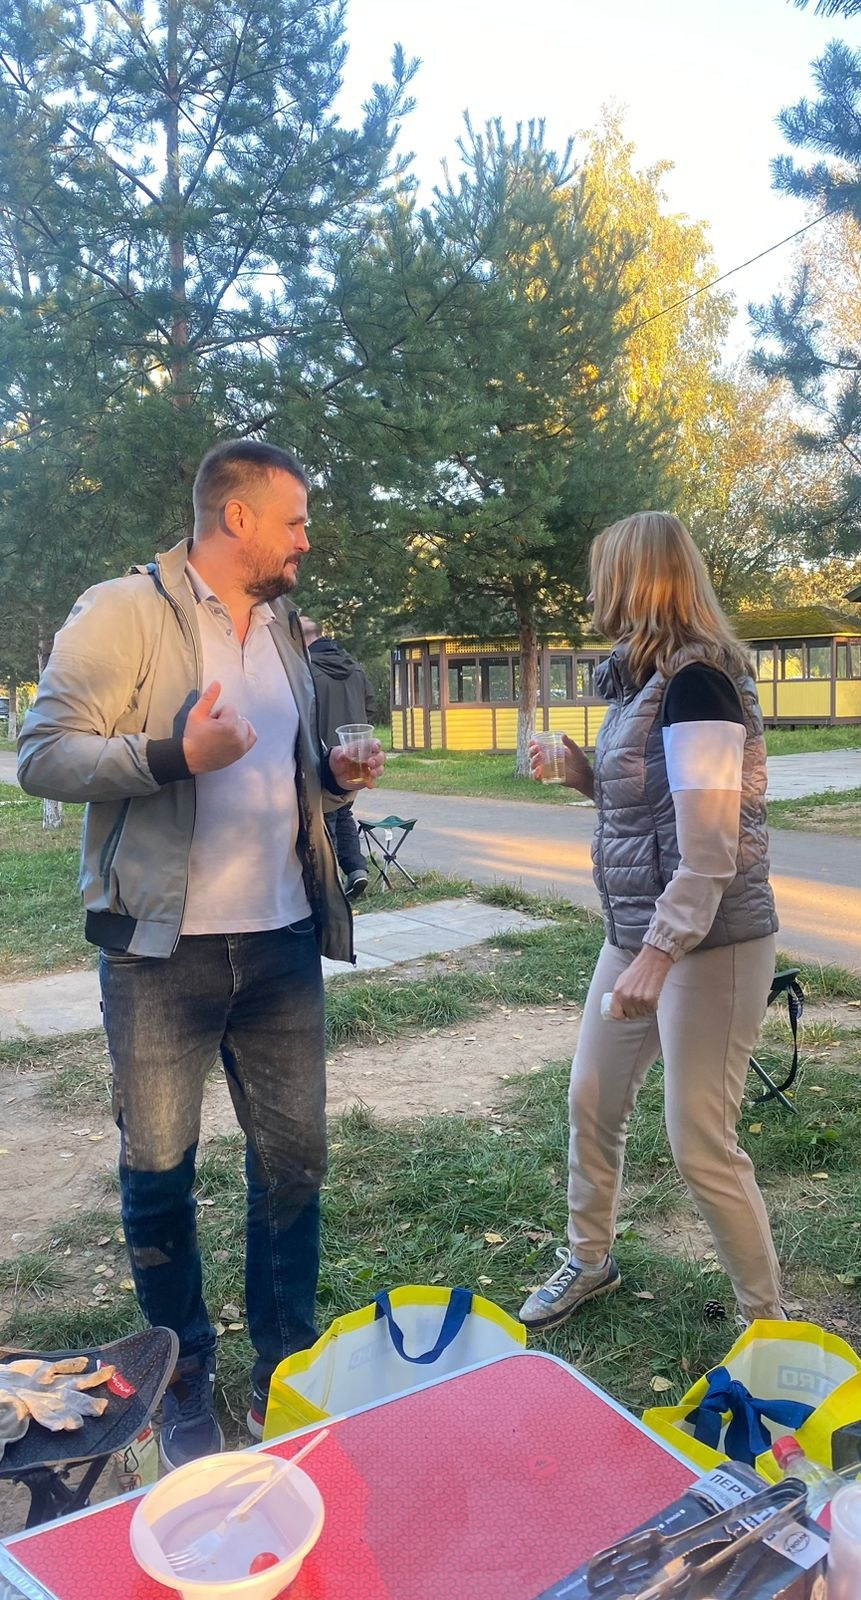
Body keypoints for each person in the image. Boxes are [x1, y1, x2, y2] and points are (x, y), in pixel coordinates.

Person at [17, 439, 385, 1469]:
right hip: (159, 955)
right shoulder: (123, 611)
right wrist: (174, 753)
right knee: (159, 1173)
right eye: (295, 521)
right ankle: (181, 1377)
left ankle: (284, 1371)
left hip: (282, 946)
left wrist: (336, 778)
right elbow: (42, 754)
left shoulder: (287, 632)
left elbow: (287, 776)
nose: (307, 539)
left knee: (294, 1166)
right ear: (238, 519)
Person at [518, 511, 783, 1333]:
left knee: (700, 1141)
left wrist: (659, 955)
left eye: (603, 574)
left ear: (637, 581)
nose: (593, 591)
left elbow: (711, 851)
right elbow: (653, 809)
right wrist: (584, 775)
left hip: (715, 941)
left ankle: (767, 1325)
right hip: (639, 933)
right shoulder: (643, 681)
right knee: (592, 1098)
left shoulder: (698, 684)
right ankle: (589, 1259)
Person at [299, 618, 376, 900]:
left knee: (322, 819)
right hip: (355, 757)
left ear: (301, 639)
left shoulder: (306, 670)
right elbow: (371, 706)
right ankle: (356, 869)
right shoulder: (355, 667)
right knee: (343, 811)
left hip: (322, 756)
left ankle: (328, 884)